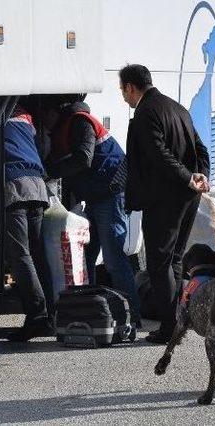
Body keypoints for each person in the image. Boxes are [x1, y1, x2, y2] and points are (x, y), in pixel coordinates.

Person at [119, 64, 210, 344]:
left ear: (131, 87)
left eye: (123, 91)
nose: (124, 97)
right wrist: (201, 175)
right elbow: (201, 148)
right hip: (187, 196)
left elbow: (158, 154)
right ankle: (177, 322)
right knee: (175, 260)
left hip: (165, 197)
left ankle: (170, 327)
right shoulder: (177, 108)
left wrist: (186, 178)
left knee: (159, 263)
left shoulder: (146, 112)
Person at [45, 99, 142, 324]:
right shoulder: (65, 127)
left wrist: (50, 171)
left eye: (47, 116)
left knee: (113, 259)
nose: (46, 123)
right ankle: (89, 311)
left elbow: (83, 159)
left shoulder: (79, 122)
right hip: (95, 196)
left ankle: (133, 315)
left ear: (56, 111)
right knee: (86, 257)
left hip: (110, 194)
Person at [3, 104, 55, 342]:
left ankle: (36, 316)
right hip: (37, 186)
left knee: (21, 255)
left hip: (15, 187)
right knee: (37, 253)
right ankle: (50, 315)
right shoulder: (27, 119)